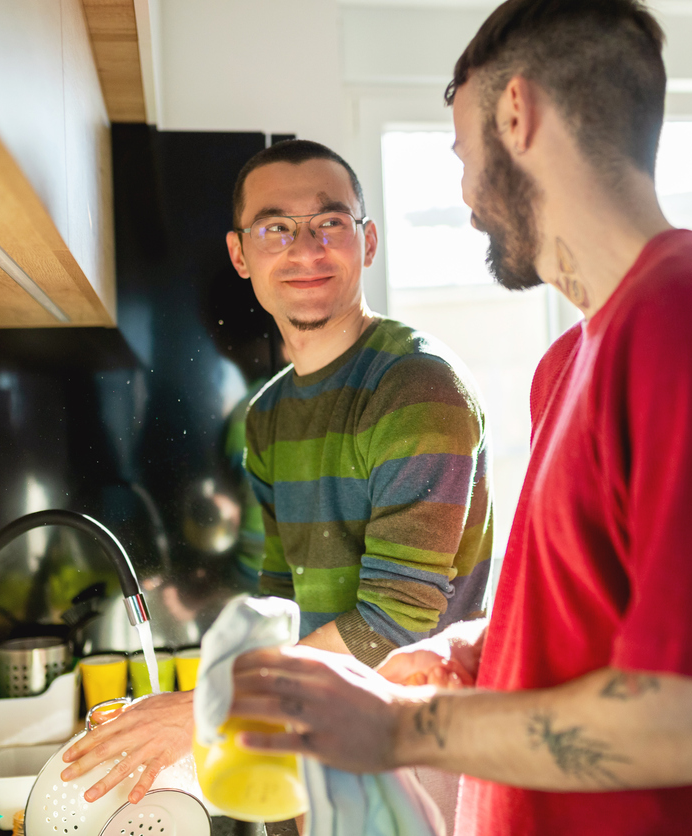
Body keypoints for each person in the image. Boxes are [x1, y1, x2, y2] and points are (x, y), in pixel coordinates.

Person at [228, 2, 692, 835]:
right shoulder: (576, 359)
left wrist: (397, 729)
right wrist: (481, 647)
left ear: (516, 113)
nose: (464, 194)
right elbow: (596, 610)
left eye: (462, 151)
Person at [59, 140, 494, 808]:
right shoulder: (267, 416)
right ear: (241, 254)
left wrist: (213, 704)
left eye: (330, 223)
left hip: (424, 769)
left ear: (367, 241)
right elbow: (274, 597)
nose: (306, 249)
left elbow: (395, 618)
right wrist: (203, 631)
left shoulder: (416, 387)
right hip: (317, 751)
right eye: (276, 228)